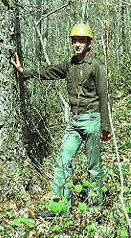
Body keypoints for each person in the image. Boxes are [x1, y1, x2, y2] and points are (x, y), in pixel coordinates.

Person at [12, 23, 111, 218]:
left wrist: (105, 127)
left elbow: (104, 96)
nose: (77, 44)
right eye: (74, 41)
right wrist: (25, 72)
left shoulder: (97, 65)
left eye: (81, 41)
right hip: (74, 121)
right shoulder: (70, 64)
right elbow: (49, 71)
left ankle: (94, 209)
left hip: (92, 120)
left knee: (93, 166)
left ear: (89, 43)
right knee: (62, 160)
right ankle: (60, 209)